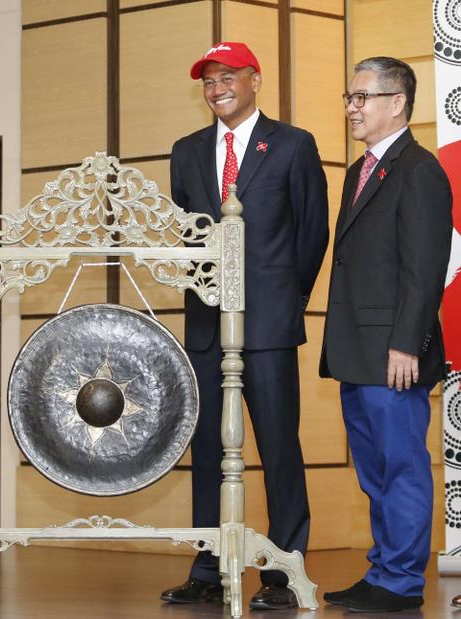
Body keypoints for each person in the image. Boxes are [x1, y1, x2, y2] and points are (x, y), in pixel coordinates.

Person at [160, 42, 329, 610]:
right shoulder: (186, 151)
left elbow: (312, 232)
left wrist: (287, 299)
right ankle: (207, 569)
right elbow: (186, 239)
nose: (217, 89)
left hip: (269, 325)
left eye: (228, 77)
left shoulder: (293, 144)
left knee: (278, 448)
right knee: (207, 448)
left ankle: (282, 573)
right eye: (209, 81)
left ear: (254, 80)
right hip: (206, 327)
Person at [320, 57, 452, 613]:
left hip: (393, 352)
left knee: (401, 468)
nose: (352, 108)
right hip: (356, 349)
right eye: (349, 98)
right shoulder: (361, 169)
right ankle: (382, 570)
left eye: (362, 97)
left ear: (397, 103)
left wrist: (406, 343)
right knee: (375, 471)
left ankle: (401, 583)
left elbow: (425, 268)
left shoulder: (419, 170)